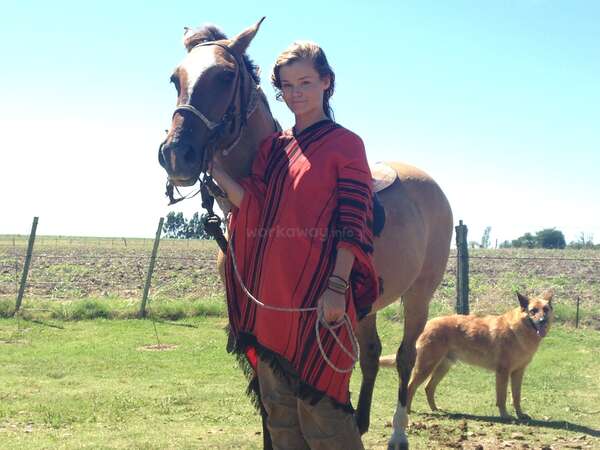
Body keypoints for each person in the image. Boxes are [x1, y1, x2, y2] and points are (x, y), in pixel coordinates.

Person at [209, 41, 379, 450]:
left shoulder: (346, 145)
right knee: (280, 416)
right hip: (271, 304)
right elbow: (253, 205)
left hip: (320, 301)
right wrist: (214, 169)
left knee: (325, 417)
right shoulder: (272, 148)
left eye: (305, 81)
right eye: (287, 85)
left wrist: (337, 286)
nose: (296, 92)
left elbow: (353, 222)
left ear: (326, 82)